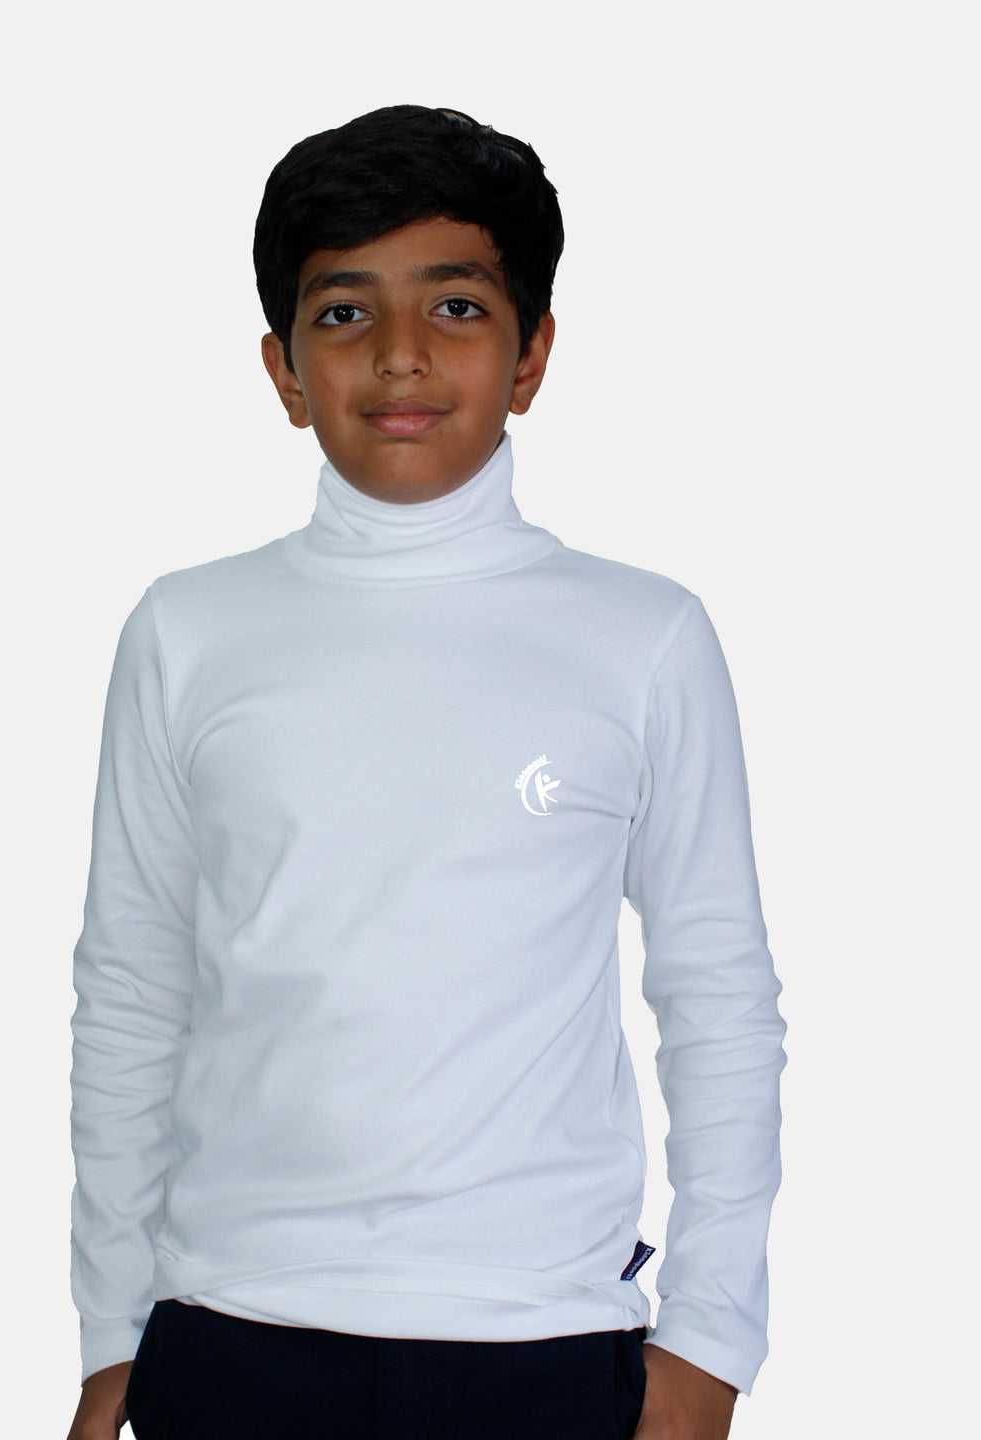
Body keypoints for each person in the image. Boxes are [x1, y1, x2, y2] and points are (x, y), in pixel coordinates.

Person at [66, 105, 786, 1440]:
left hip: (541, 1343)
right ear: (284, 370)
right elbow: (132, 993)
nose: (400, 353)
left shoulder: (642, 637)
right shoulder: (187, 631)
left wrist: (711, 1342)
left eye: (456, 306)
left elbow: (719, 998)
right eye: (345, 314)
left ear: (532, 355)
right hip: (235, 1336)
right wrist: (116, 1334)